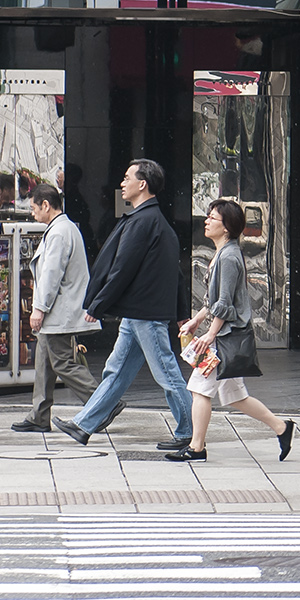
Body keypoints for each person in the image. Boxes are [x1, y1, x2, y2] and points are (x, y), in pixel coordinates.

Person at [52, 159, 195, 450]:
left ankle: (190, 433)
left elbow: (122, 268)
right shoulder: (155, 220)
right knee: (115, 371)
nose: (122, 183)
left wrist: (98, 305)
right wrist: (181, 311)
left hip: (146, 314)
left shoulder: (143, 221)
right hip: (138, 314)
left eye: (127, 178)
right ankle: (84, 424)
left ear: (142, 184)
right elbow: (175, 274)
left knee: (167, 373)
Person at [166, 199, 294, 462]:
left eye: (212, 218)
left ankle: (196, 448)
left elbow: (224, 305)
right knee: (235, 395)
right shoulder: (223, 253)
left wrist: (209, 335)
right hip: (225, 335)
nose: (206, 221)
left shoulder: (228, 257)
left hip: (223, 337)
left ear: (226, 227)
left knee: (199, 388)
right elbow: (213, 302)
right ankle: (282, 428)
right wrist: (195, 321)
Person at [11, 182, 101, 432]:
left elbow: (51, 275)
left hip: (58, 310)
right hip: (59, 309)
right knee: (44, 361)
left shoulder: (59, 232)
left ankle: (102, 404)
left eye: (34, 208)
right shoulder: (63, 228)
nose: (32, 213)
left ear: (46, 205)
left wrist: (38, 308)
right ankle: (39, 415)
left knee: (62, 362)